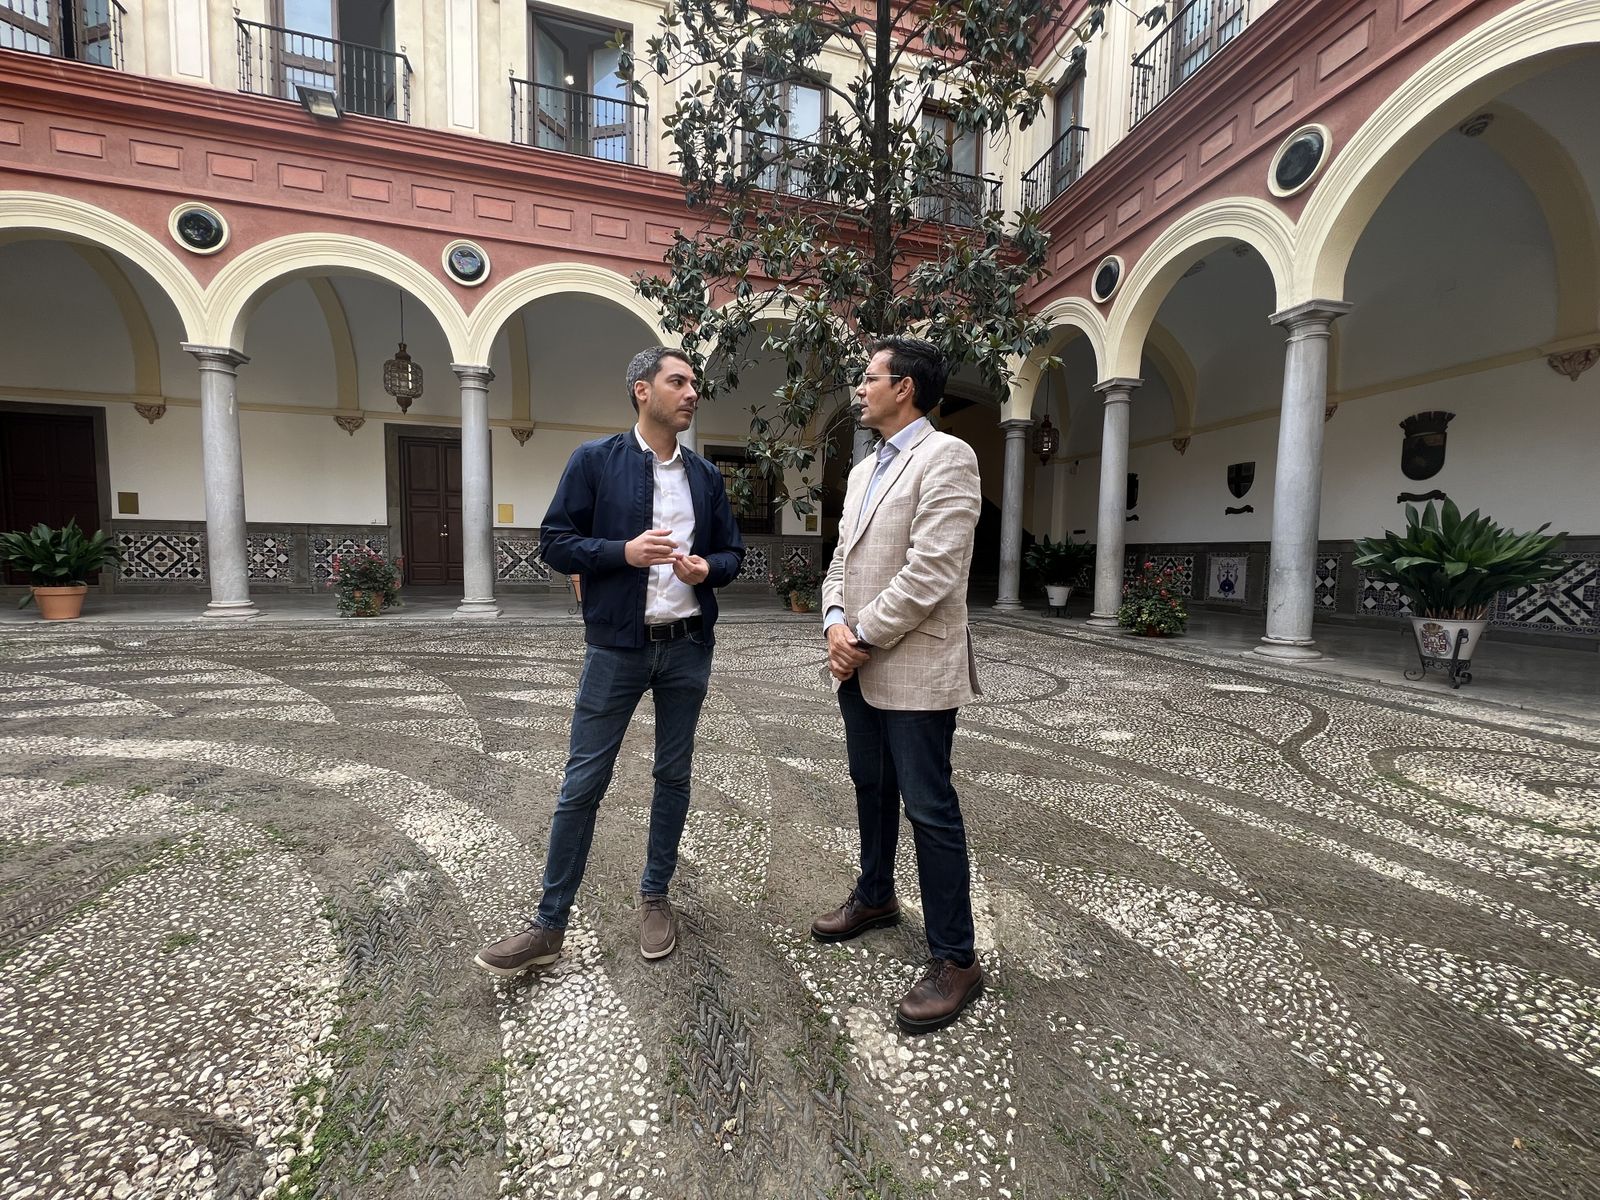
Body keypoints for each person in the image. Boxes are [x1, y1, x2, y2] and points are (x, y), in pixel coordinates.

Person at [475, 346, 745, 973]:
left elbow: (731, 552)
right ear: (641, 391)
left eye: (694, 383)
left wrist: (708, 568)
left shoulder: (704, 477)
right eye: (678, 381)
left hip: (686, 648)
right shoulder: (595, 461)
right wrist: (622, 554)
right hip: (617, 649)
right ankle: (548, 926)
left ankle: (655, 896)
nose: (692, 393)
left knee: (672, 777)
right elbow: (556, 542)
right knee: (582, 784)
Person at [812, 335, 984, 1034]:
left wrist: (858, 638)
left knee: (930, 808)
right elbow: (841, 560)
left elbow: (932, 572)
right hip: (859, 661)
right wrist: (830, 620)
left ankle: (956, 958)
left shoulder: (948, 457)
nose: (860, 387)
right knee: (870, 786)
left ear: (904, 387)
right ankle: (876, 895)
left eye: (869, 377)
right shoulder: (861, 472)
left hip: (912, 666)